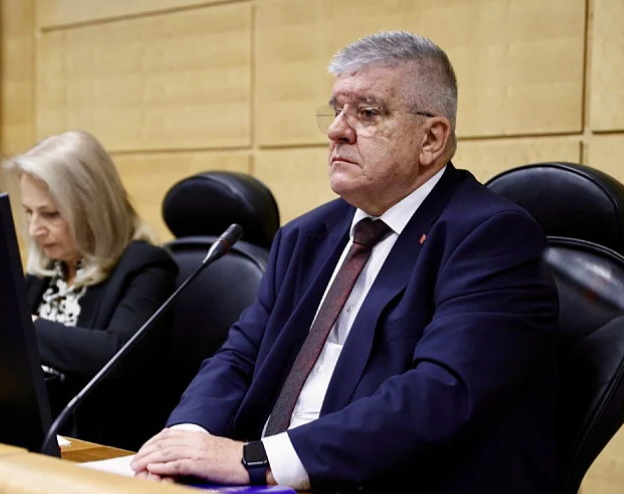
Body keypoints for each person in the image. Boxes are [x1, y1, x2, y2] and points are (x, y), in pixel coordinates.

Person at [132, 31, 560, 493]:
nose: (337, 130)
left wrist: (255, 460)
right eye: (336, 110)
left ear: (431, 139)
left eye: (368, 113)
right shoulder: (306, 236)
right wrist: (185, 441)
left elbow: (438, 394)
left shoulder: (490, 238)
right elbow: (240, 355)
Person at [0, 130, 178, 449]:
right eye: (28, 212)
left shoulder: (146, 267)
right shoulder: (49, 268)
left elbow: (117, 355)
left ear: (93, 208)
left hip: (100, 449)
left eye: (50, 214)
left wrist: (25, 326)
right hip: (32, 439)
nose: (34, 229)